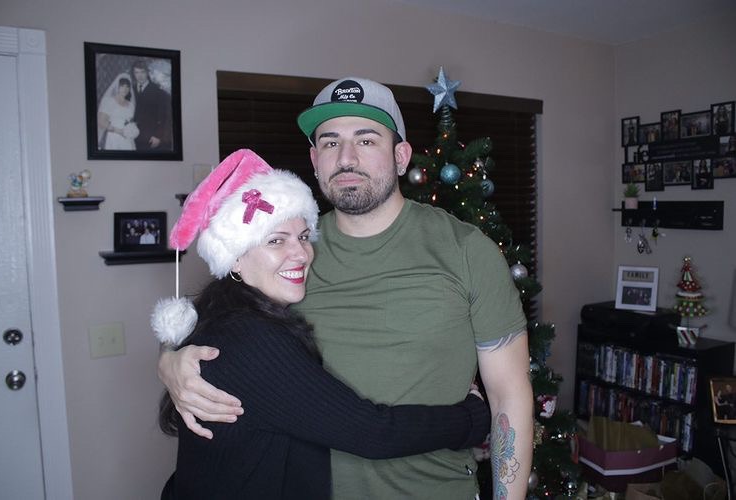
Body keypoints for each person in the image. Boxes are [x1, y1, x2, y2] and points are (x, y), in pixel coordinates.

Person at [159, 77, 533, 499]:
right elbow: (221, 319)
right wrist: (172, 360)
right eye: (331, 142)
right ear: (315, 160)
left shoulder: (466, 250)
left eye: (366, 140)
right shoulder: (291, 255)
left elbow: (508, 394)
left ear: (401, 156)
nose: (346, 158)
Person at [131, 60, 172, 151]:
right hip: (133, 137)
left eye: (142, 72)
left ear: (148, 72)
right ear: (133, 74)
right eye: (136, 72)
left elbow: (164, 116)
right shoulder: (130, 90)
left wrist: (158, 135)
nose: (140, 76)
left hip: (151, 138)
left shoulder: (158, 91)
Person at [97, 73, 138, 150]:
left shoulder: (131, 105)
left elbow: (130, 122)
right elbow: (101, 121)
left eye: (127, 86)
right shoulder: (109, 101)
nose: (125, 89)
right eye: (122, 86)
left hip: (128, 139)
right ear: (117, 87)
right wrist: (119, 131)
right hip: (113, 137)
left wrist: (132, 130)